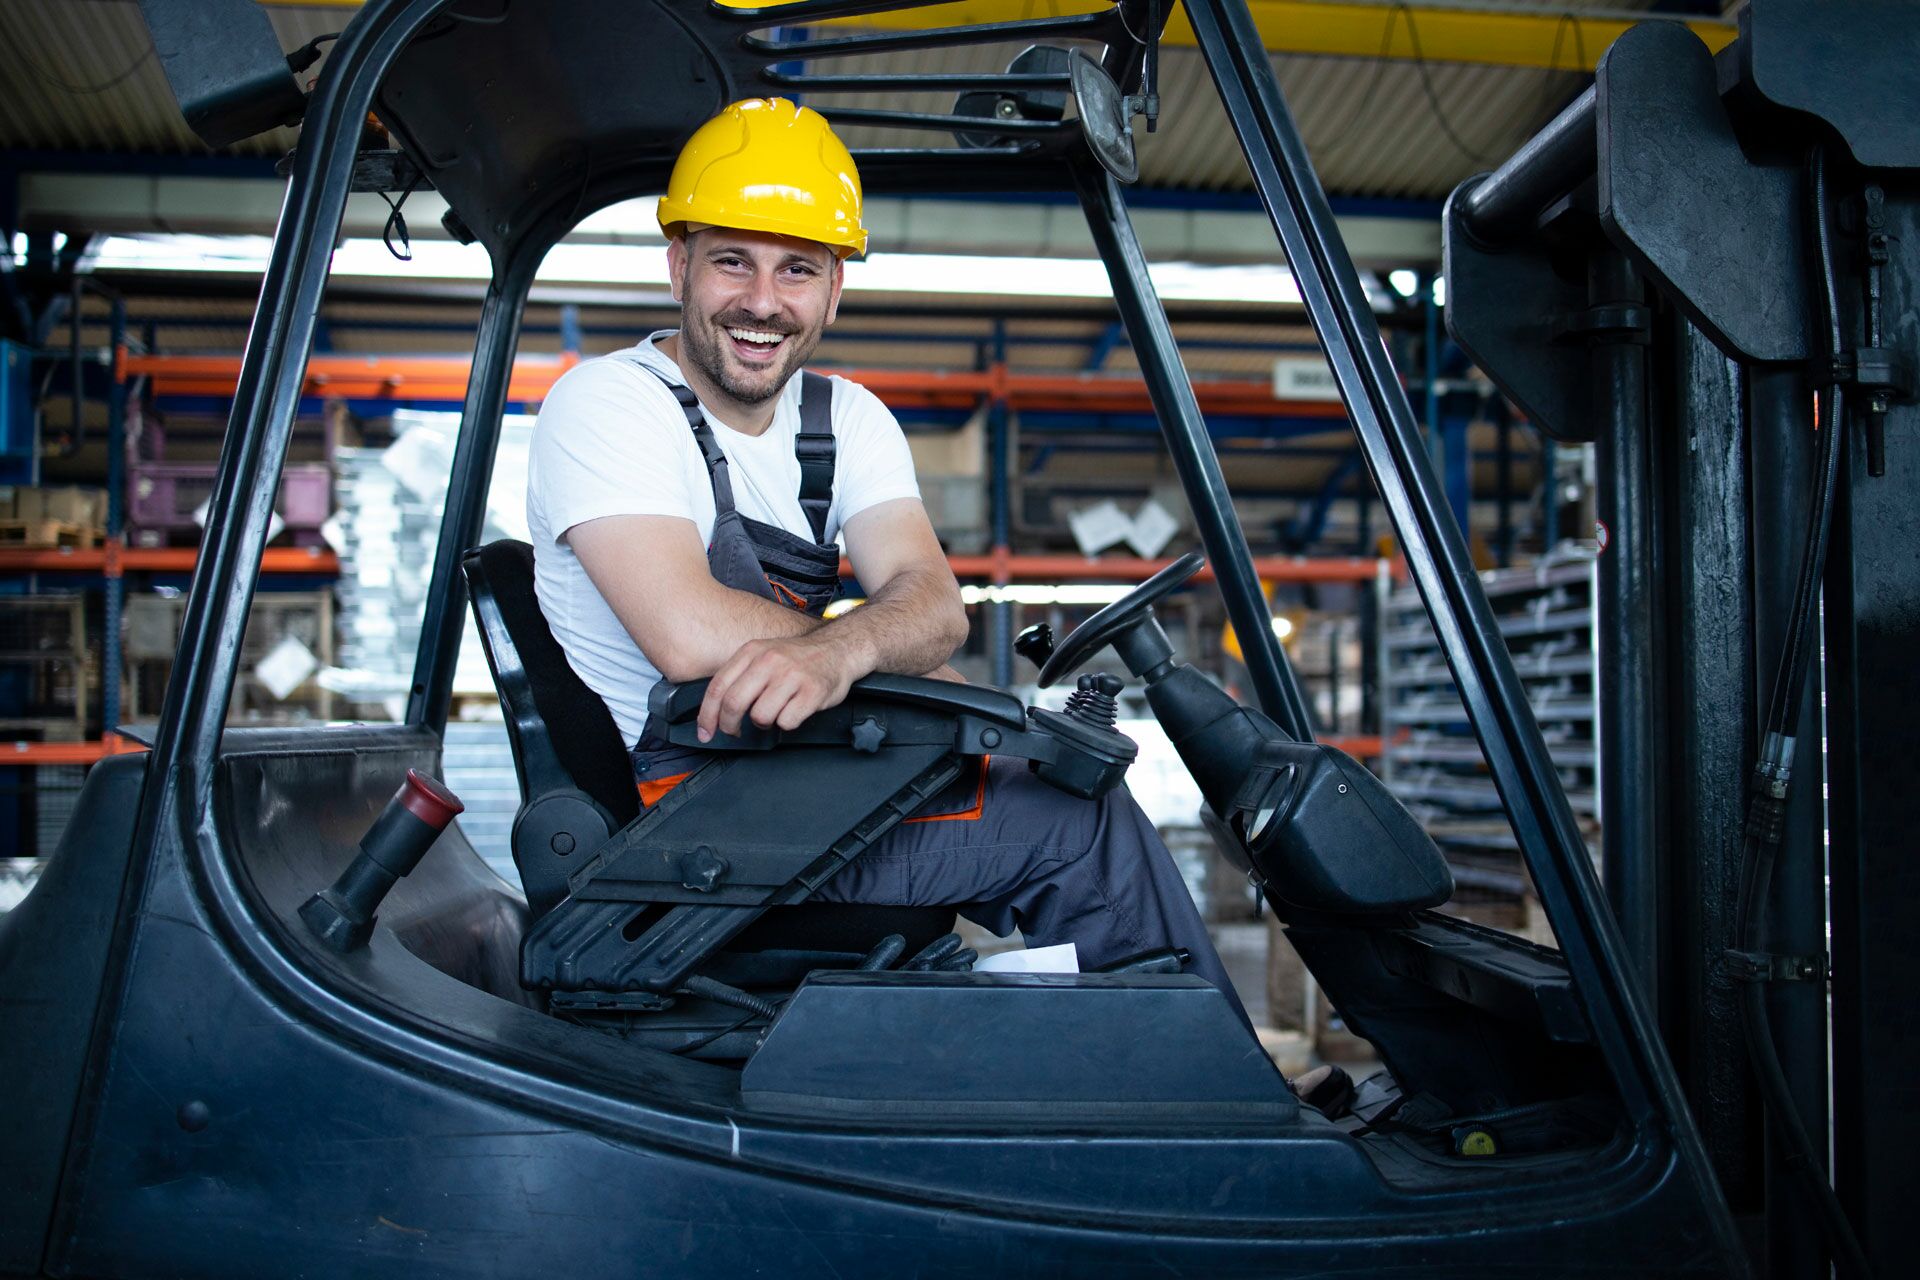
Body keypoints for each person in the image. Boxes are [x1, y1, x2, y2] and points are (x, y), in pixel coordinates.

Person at [526, 97, 1251, 1029]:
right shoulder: (613, 404)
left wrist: (843, 655)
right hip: (695, 822)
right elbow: (688, 630)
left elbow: (935, 608)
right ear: (679, 267)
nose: (761, 301)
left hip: (810, 774)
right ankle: (1217, 1099)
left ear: (834, 291)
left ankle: (1111, 1067)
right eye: (731, 261)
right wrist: (871, 649)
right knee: (1082, 828)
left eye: (798, 270)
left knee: (1055, 781)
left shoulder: (845, 418)